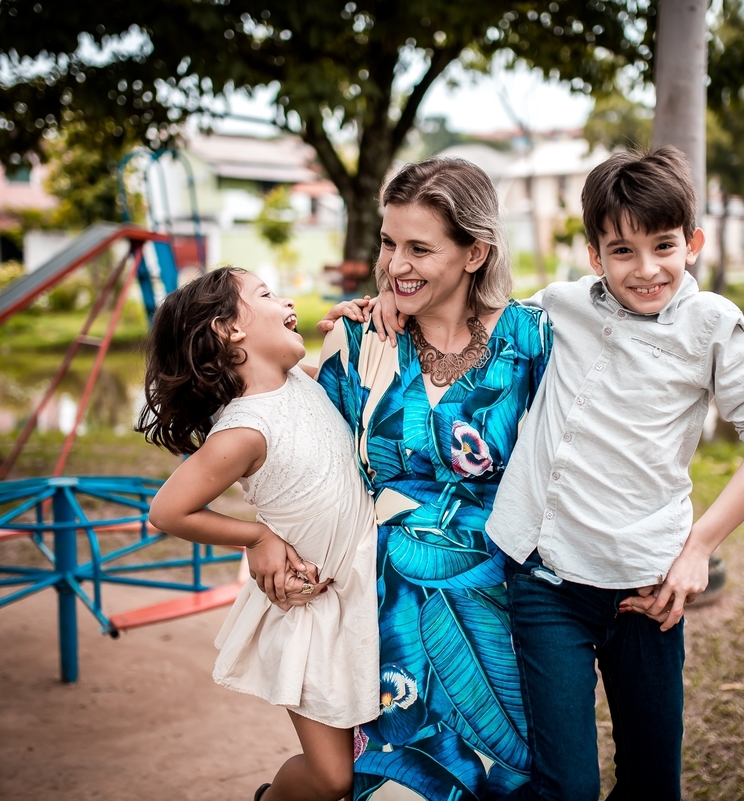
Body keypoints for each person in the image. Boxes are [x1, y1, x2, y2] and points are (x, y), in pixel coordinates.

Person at [363, 147, 744, 800]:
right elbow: (464, 314)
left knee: (653, 785)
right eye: (622, 250)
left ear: (694, 242)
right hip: (548, 582)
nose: (646, 269)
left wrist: (699, 549)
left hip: (645, 587)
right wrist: (389, 302)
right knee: (564, 785)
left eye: (664, 245)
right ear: (595, 255)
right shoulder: (556, 309)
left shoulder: (711, 326)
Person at [315, 158, 551, 800]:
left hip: (506, 611)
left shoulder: (535, 341)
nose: (395, 265)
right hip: (385, 612)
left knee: (510, 777)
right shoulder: (357, 341)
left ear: (476, 252)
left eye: (420, 248)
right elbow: (316, 472)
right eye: (389, 243)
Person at [139, 267, 379, 801]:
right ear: (229, 330)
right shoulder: (245, 428)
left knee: (370, 752)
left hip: (361, 596)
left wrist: (345, 332)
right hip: (310, 612)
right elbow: (168, 510)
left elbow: (358, 384)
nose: (287, 299)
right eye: (267, 295)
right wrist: (256, 538)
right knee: (331, 776)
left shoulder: (302, 381)